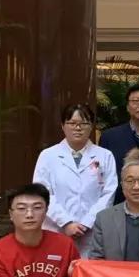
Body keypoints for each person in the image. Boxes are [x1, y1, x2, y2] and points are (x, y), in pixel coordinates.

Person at [33, 103, 118, 255]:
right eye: (72, 123)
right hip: (56, 228)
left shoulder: (105, 155)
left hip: (92, 231)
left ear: (91, 126)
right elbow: (42, 192)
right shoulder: (48, 155)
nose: (78, 128)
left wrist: (87, 223)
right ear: (62, 126)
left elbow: (108, 193)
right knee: (57, 266)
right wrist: (66, 222)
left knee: (88, 267)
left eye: (83, 123)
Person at [99, 82, 139, 202]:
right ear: (127, 107)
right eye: (136, 101)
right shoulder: (109, 136)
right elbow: (101, 175)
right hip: (118, 203)